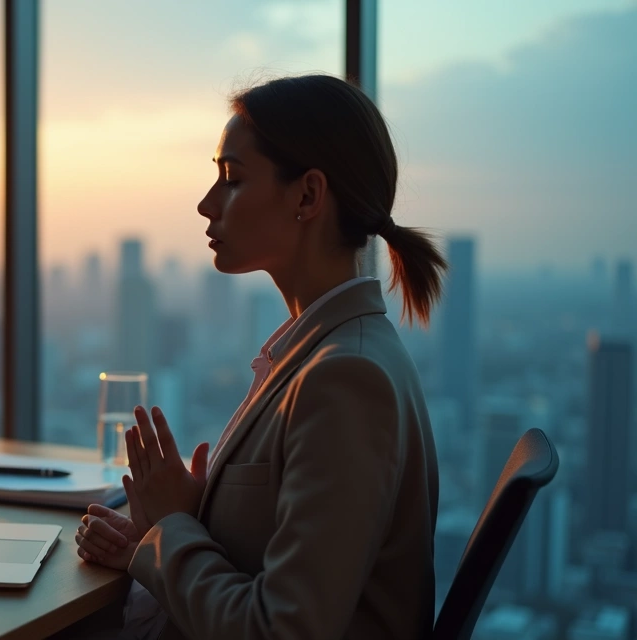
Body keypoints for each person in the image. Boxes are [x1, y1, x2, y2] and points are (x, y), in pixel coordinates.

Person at [74, 74, 447, 640]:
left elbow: (283, 630)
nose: (206, 204)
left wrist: (174, 527)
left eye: (231, 179)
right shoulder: (320, 351)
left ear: (307, 196)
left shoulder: (346, 378)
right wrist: (164, 536)